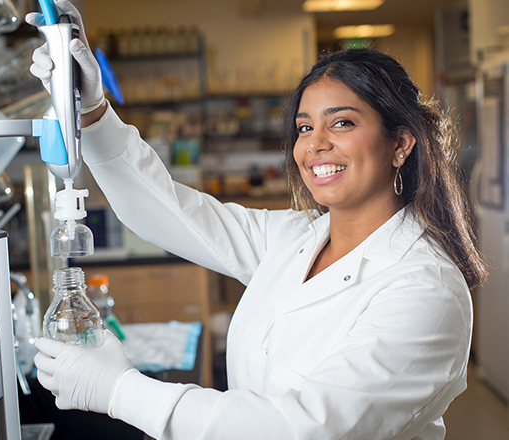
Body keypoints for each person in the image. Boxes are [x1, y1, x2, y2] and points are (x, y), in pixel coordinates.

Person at [27, 1, 487, 438]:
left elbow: (305, 430)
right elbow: (169, 213)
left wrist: (120, 391)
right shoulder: (293, 239)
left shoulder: (426, 289)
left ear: (400, 144)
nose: (314, 144)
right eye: (305, 127)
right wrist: (91, 111)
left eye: (342, 123)